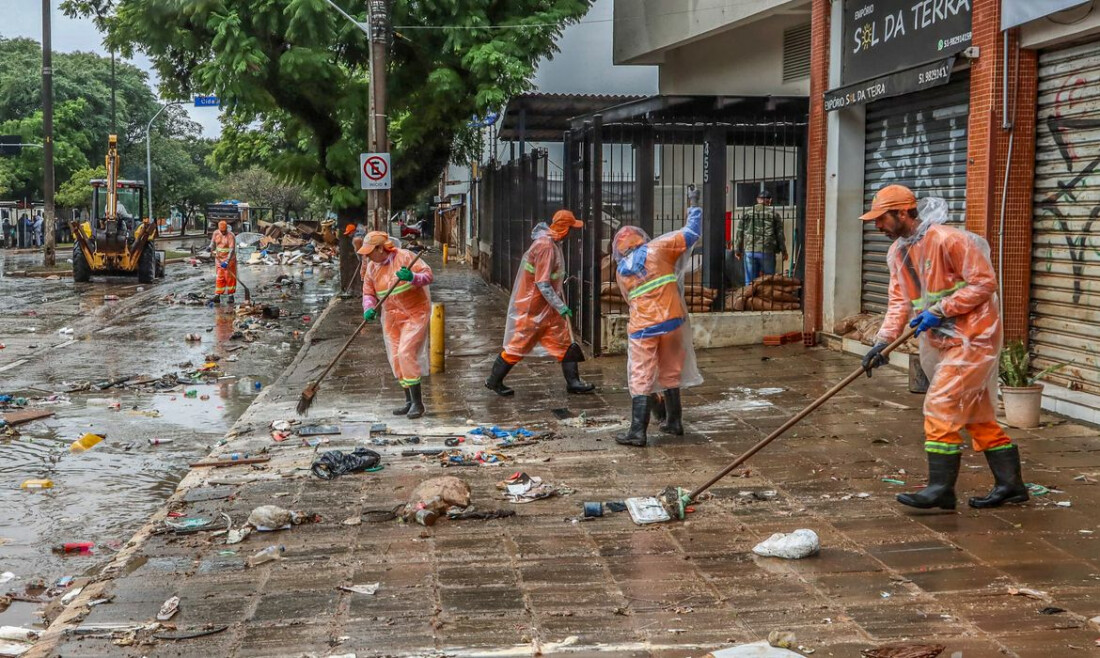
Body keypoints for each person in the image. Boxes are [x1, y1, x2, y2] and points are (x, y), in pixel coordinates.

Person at [861, 184, 1027, 510]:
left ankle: (940, 489)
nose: (877, 226)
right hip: (942, 340)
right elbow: (899, 302)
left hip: (974, 338)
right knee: (976, 415)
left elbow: (984, 283)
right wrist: (882, 343)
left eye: (882, 218)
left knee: (940, 405)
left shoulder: (951, 240)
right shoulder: (898, 252)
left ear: (904, 212)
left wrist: (939, 310)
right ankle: (1011, 485)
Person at [611, 206, 705, 447]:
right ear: (641, 238)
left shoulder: (622, 272)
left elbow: (628, 300)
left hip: (644, 328)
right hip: (673, 321)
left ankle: (637, 432)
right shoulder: (658, 249)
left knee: (641, 376)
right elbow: (692, 233)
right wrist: (693, 207)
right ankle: (674, 421)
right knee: (671, 372)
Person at [485, 209, 595, 397]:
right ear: (564, 229)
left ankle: (574, 382)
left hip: (545, 306)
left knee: (564, 341)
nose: (573, 233)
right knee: (518, 345)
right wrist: (561, 307)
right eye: (571, 228)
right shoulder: (546, 247)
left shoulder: (552, 243)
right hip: (533, 307)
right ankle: (494, 380)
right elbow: (542, 283)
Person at [359, 231, 433, 419]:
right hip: (391, 317)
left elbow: (428, 275)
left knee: (405, 352)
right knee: (395, 357)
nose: (367, 256)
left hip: (415, 312)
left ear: (380, 248)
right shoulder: (371, 268)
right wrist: (368, 307)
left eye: (370, 252)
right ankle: (408, 401)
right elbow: (368, 292)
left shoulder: (405, 257)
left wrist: (412, 278)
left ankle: (418, 403)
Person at [733, 189, 787, 285]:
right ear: (769, 201)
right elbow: (780, 235)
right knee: (769, 280)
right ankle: (768, 298)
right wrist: (783, 251)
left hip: (750, 250)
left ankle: (750, 298)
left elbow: (739, 232)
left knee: (750, 282)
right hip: (767, 251)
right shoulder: (774, 214)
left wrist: (737, 250)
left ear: (758, 199)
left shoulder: (747, 212)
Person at [209, 220, 237, 304]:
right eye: (222, 231)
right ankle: (217, 295)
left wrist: (227, 261)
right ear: (219, 229)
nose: (223, 232)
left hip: (229, 259)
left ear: (227, 229)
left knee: (229, 278)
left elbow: (232, 250)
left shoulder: (231, 236)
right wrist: (209, 248)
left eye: (225, 231)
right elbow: (213, 244)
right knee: (219, 277)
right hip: (218, 259)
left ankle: (230, 296)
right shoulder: (216, 233)